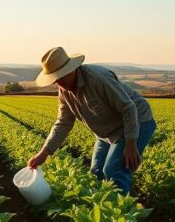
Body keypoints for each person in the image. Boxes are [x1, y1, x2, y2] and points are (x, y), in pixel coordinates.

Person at [26, 47, 157, 194]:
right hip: (106, 132)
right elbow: (63, 122)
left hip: (137, 121)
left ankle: (122, 212)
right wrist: (44, 153)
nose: (60, 84)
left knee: (113, 171)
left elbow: (128, 108)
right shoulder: (64, 91)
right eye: (56, 80)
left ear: (71, 70)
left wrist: (131, 144)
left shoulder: (98, 78)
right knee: (96, 172)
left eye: (61, 77)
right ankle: (102, 210)